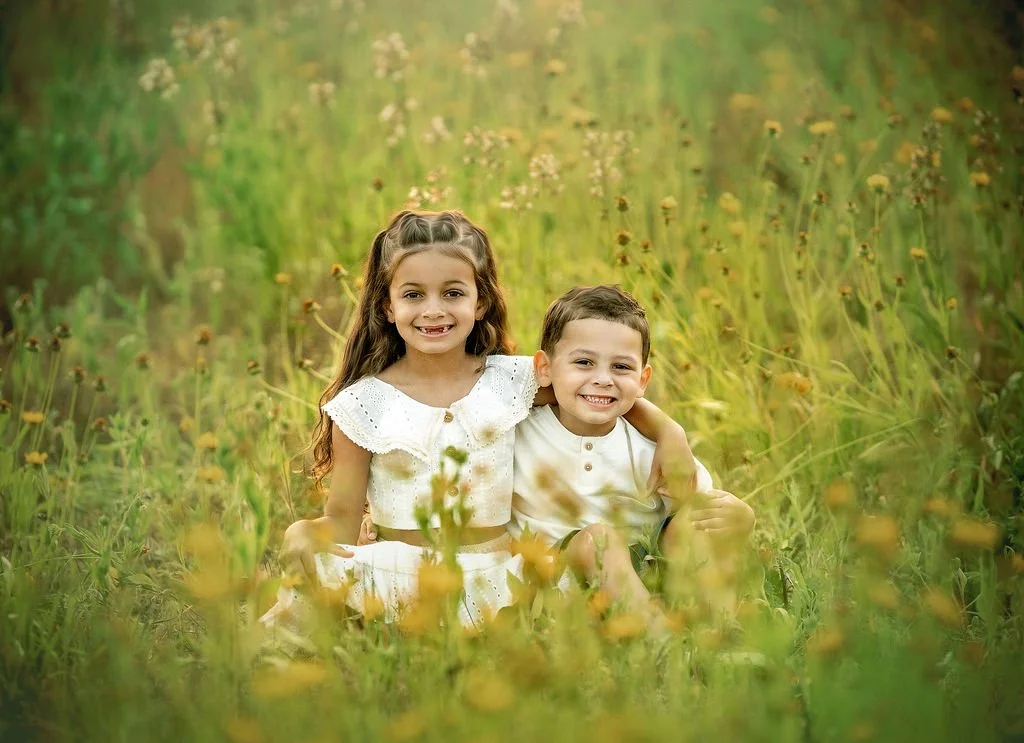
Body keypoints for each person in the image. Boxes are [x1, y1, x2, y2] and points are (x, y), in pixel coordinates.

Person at [260, 211, 696, 631]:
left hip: (500, 572)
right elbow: (342, 522)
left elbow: (591, 391)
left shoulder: (508, 381)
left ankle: (669, 645)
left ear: (481, 301)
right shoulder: (362, 405)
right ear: (387, 307)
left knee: (589, 556)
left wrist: (669, 433)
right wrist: (303, 531)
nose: (433, 310)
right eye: (413, 295)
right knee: (314, 592)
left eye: (452, 293)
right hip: (399, 570)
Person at [509, 285, 755, 630]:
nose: (602, 379)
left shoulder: (651, 450)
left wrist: (740, 520)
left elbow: (697, 512)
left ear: (643, 380)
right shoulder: (517, 430)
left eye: (621, 367)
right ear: (545, 368)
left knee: (697, 520)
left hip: (643, 579)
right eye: (583, 362)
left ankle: (715, 630)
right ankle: (662, 643)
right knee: (600, 540)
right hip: (555, 586)